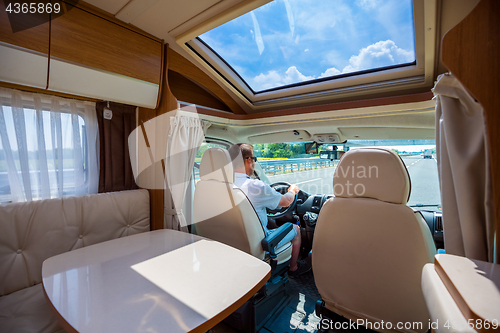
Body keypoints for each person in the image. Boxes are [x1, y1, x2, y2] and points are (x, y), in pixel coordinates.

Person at [228, 144, 311, 277]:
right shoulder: (256, 186)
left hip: (232, 241)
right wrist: (293, 190)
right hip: (257, 243)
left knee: (272, 224)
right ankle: (294, 268)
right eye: (254, 159)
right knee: (295, 229)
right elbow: (286, 201)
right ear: (249, 160)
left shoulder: (224, 185)